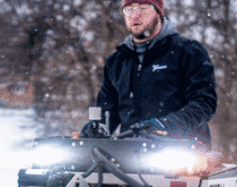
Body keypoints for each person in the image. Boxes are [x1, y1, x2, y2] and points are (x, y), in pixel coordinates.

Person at [93, 0, 217, 148]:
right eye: (129, 9)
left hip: (182, 150)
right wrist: (92, 132)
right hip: (129, 152)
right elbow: (107, 112)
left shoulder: (188, 51)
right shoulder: (116, 61)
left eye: (143, 8)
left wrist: (167, 125)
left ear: (158, 13)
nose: (135, 15)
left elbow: (204, 102)